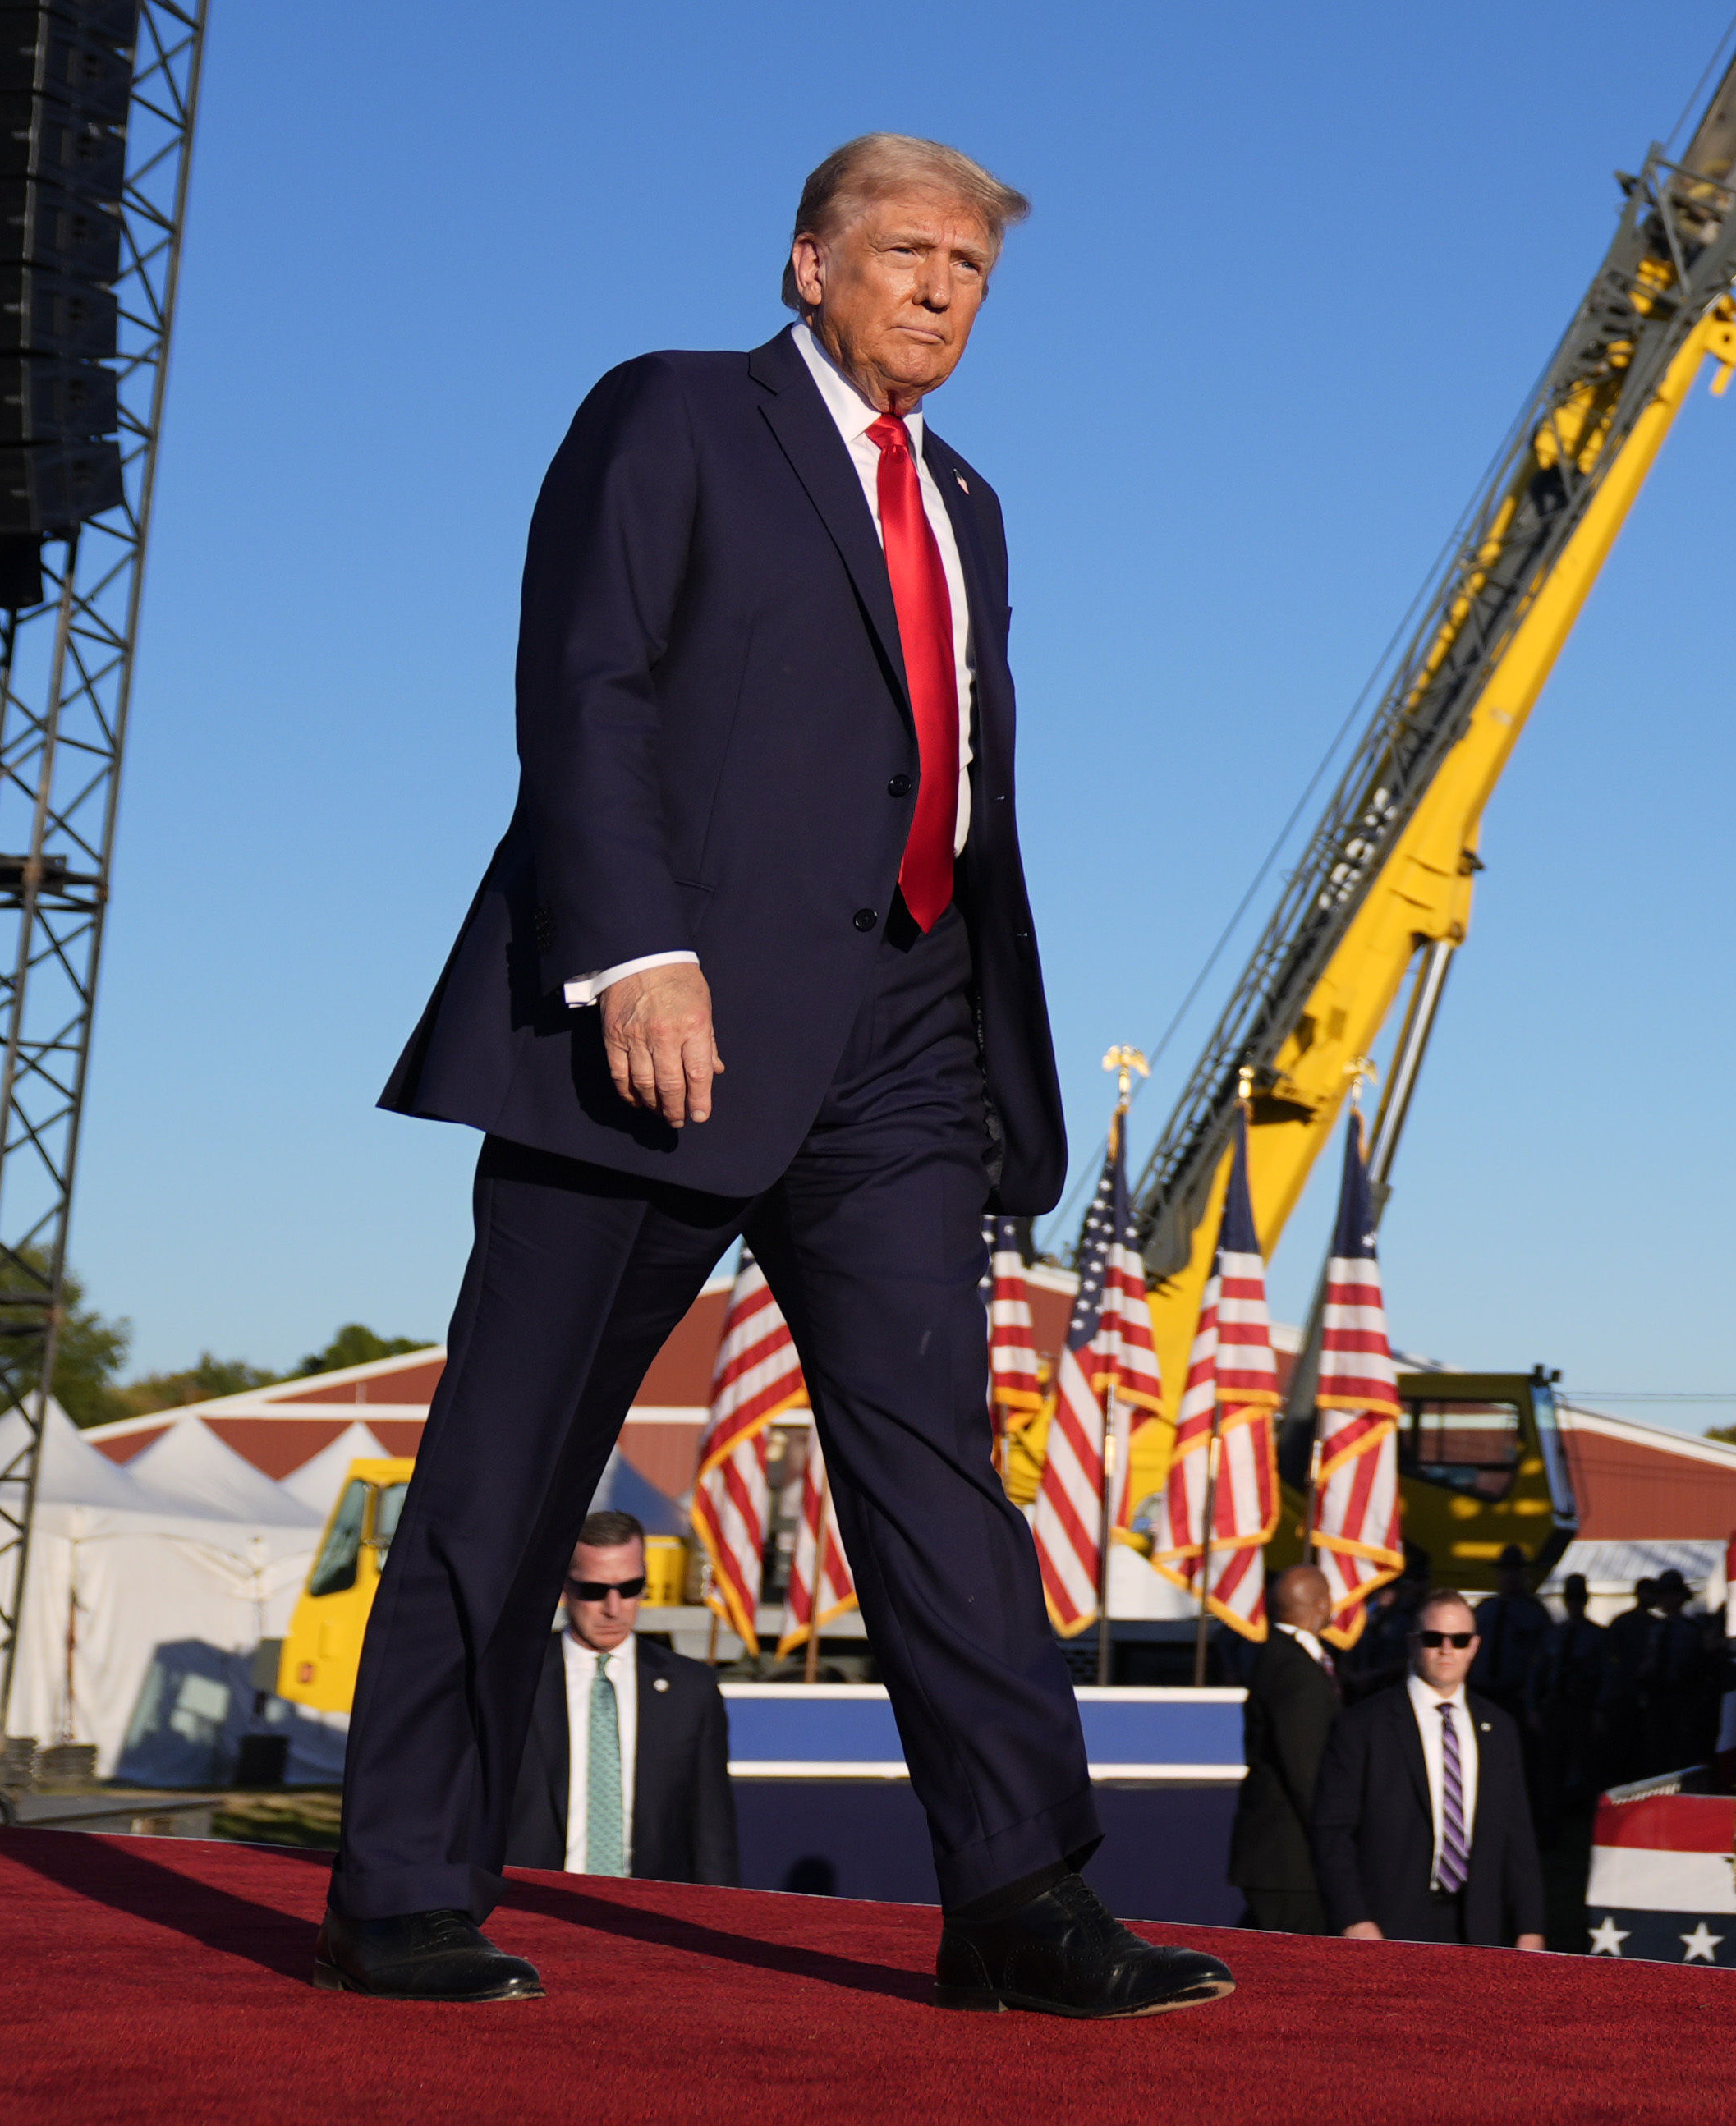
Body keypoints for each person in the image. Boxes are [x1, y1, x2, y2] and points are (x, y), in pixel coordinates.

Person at [323, 139, 1222, 2018]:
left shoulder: (967, 499)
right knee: (512, 1458)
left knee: (937, 1473)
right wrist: (635, 951)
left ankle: (1018, 1895)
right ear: (808, 261)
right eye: (907, 251)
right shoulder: (671, 415)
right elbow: (586, 681)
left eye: (972, 266)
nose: (941, 289)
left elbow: (947, 790)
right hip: (660, 1020)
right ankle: (408, 1884)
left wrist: (976, 1036)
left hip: (905, 1043)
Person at [503, 1510, 733, 1885]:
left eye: (629, 1588)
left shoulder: (692, 1690)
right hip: (529, 1908)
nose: (613, 1608)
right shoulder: (508, 1682)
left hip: (645, 1917)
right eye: (594, 1590)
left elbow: (712, 1832)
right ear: (564, 1587)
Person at [1314, 1588, 1548, 1949]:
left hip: (1478, 1926)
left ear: (1474, 1646)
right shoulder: (1364, 1725)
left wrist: (1530, 1927)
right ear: (1412, 1642)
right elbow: (1332, 1832)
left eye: (1459, 1639)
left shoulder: (1499, 1728)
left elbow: (1517, 1834)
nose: (1446, 1649)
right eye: (1433, 1638)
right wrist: (1354, 1919)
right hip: (1387, 1926)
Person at [1232, 1562, 1347, 1932]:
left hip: (1276, 1859)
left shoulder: (1277, 1657)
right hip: (1289, 1862)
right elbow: (1305, 1769)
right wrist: (1334, 1838)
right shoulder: (1297, 1673)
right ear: (1320, 1604)